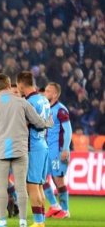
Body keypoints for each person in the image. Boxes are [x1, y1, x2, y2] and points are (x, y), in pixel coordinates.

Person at [0, 74, 53, 227]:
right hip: (20, 149)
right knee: (21, 188)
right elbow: (38, 123)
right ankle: (23, 223)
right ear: (9, 84)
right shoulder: (22, 102)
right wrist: (48, 123)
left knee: (2, 188)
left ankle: (3, 223)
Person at [16, 71, 51, 227]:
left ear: (22, 85)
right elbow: (48, 122)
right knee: (38, 186)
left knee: (32, 186)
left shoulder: (28, 102)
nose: (18, 88)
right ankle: (41, 220)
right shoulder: (44, 99)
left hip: (33, 147)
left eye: (18, 86)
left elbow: (26, 124)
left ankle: (38, 221)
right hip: (43, 144)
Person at [44, 82, 73, 219]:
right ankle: (55, 205)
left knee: (58, 180)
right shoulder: (45, 108)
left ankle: (65, 210)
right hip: (46, 151)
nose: (45, 93)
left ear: (55, 94)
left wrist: (66, 149)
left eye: (49, 91)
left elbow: (68, 130)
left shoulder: (61, 110)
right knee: (42, 179)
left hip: (58, 150)